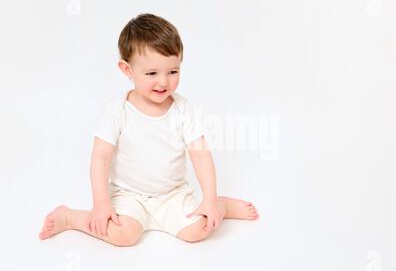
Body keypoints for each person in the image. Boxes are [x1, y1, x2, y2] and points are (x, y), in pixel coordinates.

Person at [38, 13, 259, 246]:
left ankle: (221, 204)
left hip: (172, 195)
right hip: (128, 195)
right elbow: (101, 158)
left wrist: (210, 198)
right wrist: (101, 203)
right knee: (123, 235)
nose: (164, 82)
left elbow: (200, 154)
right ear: (127, 69)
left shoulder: (182, 109)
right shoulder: (118, 110)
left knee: (199, 230)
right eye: (152, 73)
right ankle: (70, 217)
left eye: (173, 71)